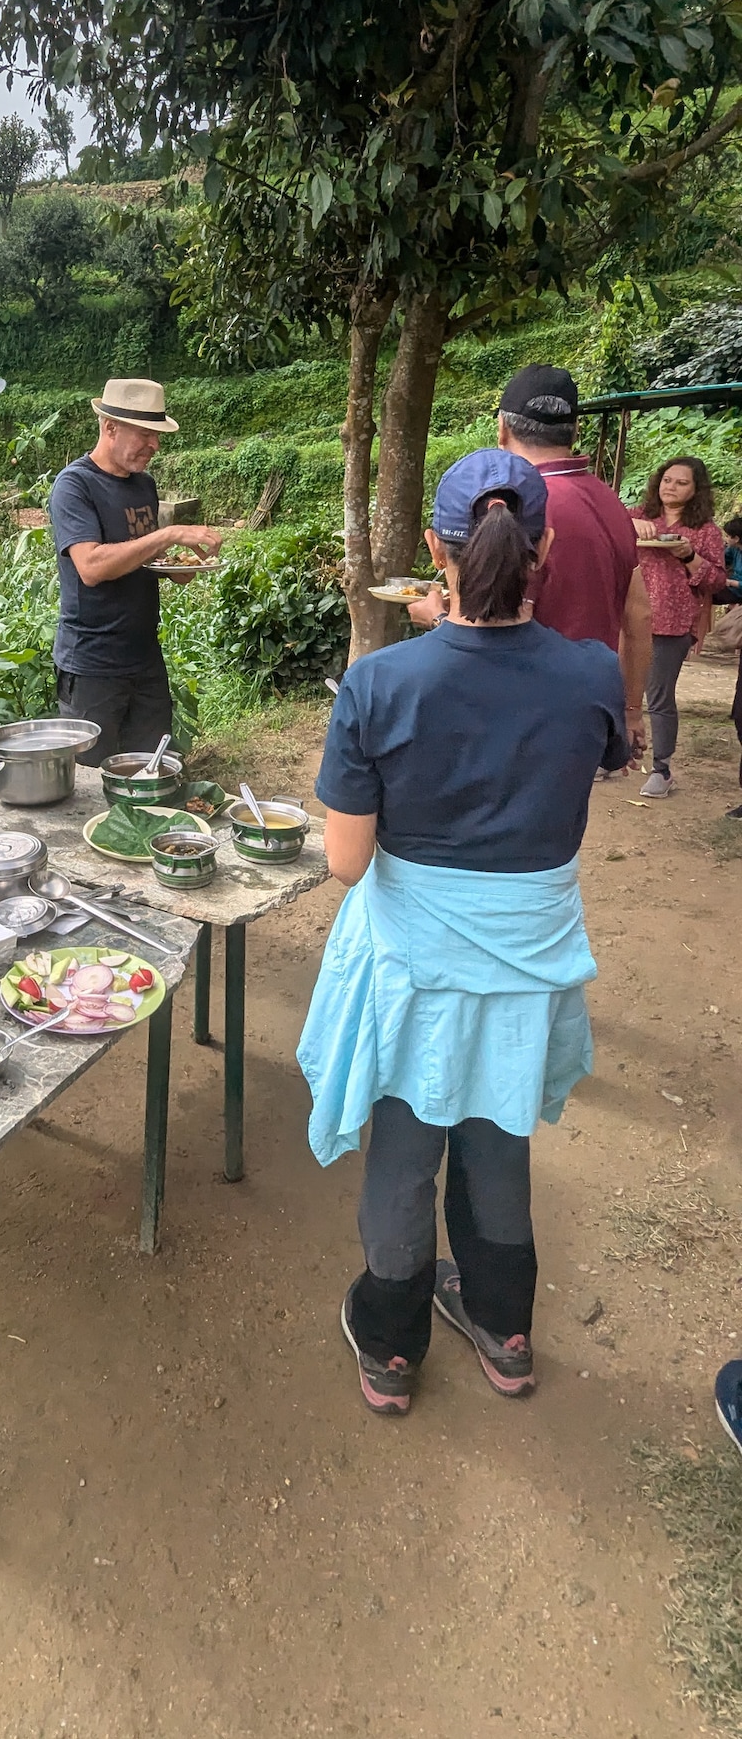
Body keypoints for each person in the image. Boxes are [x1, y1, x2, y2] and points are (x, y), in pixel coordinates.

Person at [298, 449, 628, 1415]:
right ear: (547, 548)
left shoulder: (381, 683)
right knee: (497, 1141)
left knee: (403, 1154)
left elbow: (348, 863)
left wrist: (434, 643)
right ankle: (504, 1330)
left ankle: (393, 1349)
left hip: (416, 974)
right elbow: (581, 742)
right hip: (527, 973)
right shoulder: (592, 674)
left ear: (437, 551)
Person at [411, 364, 650, 759]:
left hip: (517, 719)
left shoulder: (526, 508)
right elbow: (639, 614)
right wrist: (630, 709)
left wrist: (438, 618)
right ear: (574, 432)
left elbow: (492, 634)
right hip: (584, 713)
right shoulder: (611, 503)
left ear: (502, 428)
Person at [47, 378, 222, 765]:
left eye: (156, 436)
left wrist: (187, 560)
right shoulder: (74, 486)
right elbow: (90, 567)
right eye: (145, 434)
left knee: (150, 772)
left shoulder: (144, 485)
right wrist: (168, 533)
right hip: (92, 667)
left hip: (144, 660)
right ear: (110, 427)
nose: (154, 446)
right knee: (92, 785)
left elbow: (154, 563)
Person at [629, 456, 726, 800]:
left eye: (681, 482)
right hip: (628, 618)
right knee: (616, 689)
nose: (671, 487)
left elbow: (716, 581)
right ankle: (613, 756)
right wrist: (631, 527)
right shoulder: (638, 517)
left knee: (658, 697)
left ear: (696, 489)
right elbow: (609, 540)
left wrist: (688, 555)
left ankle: (662, 768)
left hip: (672, 623)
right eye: (667, 480)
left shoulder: (705, 531)